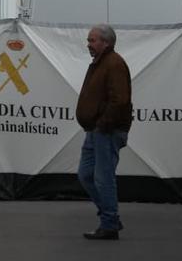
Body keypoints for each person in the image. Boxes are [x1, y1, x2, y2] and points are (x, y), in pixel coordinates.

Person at [75, 24, 132, 241]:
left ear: (106, 42)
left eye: (92, 40)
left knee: (103, 178)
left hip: (106, 131)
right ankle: (111, 218)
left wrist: (103, 124)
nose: (88, 44)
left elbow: (120, 100)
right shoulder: (101, 63)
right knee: (86, 175)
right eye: (88, 40)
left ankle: (109, 224)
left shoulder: (114, 64)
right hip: (95, 131)